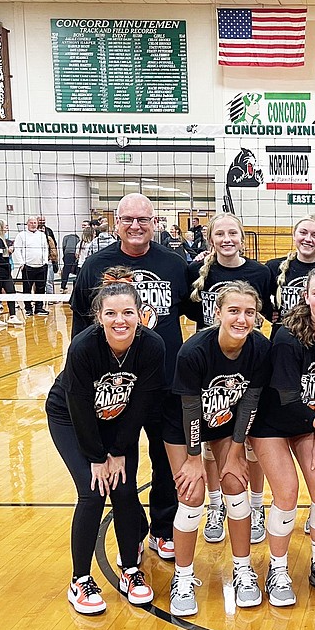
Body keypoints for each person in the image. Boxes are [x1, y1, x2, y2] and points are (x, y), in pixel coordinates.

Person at [70, 193, 194, 564]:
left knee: (164, 458)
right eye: (128, 219)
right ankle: (134, 530)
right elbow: (81, 322)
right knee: (123, 460)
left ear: (155, 222)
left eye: (143, 219)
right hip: (115, 387)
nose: (136, 226)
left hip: (166, 380)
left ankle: (162, 529)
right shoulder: (96, 264)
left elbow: (196, 310)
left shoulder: (174, 263)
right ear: (117, 222)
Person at [47, 278, 166, 615]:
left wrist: (118, 450)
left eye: (128, 312)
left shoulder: (152, 347)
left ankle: (130, 570)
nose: (120, 320)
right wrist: (98, 457)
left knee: (125, 489)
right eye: (111, 313)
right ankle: (79, 580)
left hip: (119, 420)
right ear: (99, 316)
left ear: (141, 315)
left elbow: (141, 403)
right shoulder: (84, 348)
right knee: (92, 489)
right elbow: (79, 406)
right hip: (70, 418)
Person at [248, 265, 315, 605]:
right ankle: (277, 569)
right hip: (271, 423)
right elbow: (289, 402)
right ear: (306, 297)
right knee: (288, 492)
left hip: (311, 425)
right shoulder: (287, 337)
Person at [167, 282, 272, 614]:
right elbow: (190, 410)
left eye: (249, 313)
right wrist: (195, 458)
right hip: (183, 428)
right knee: (193, 493)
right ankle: (182, 578)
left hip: (226, 422)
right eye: (234, 311)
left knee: (234, 484)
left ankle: (243, 569)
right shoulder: (194, 351)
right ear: (218, 312)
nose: (242, 319)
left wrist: (237, 449)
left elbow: (251, 400)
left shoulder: (260, 348)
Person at [188, 212, 273, 547]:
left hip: (247, 362)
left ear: (242, 236)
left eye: (232, 233)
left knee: (250, 441)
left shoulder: (260, 272)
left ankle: (256, 506)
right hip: (209, 364)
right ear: (211, 238)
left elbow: (267, 312)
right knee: (212, 443)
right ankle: (215, 506)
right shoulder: (195, 271)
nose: (227, 239)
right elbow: (189, 311)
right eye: (219, 233)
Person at [265, 215, 315, 321]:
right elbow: (261, 300)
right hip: (284, 333)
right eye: (303, 233)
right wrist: (269, 313)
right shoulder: (274, 267)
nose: (308, 239)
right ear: (294, 235)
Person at [0, 220, 24, 327]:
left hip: (2, 271)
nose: (6, 227)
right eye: (5, 225)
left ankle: (12, 316)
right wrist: (8, 262)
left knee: (11, 291)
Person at [14, 216, 50, 317]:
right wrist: (21, 263)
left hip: (42, 266)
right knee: (27, 288)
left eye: (35, 223)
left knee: (41, 288)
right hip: (28, 267)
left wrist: (45, 261)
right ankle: (28, 308)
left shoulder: (42, 235)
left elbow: (45, 248)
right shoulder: (21, 235)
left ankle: (39, 308)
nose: (33, 225)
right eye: (31, 223)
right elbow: (17, 249)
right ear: (27, 224)